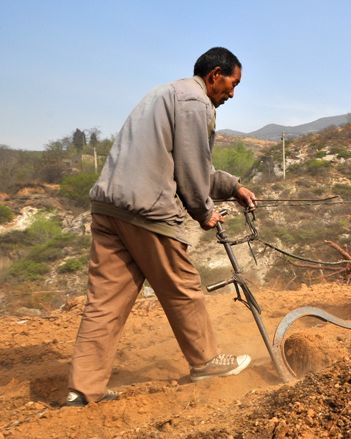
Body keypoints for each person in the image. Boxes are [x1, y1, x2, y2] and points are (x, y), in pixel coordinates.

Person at [66, 47, 256, 406]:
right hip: (147, 207)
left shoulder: (165, 94)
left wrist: (233, 187)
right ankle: (206, 361)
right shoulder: (195, 102)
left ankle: (83, 388)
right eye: (233, 83)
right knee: (181, 284)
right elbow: (192, 169)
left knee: (105, 300)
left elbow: (187, 166)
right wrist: (204, 212)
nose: (233, 93)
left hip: (109, 207)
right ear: (215, 75)